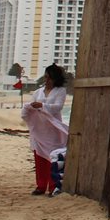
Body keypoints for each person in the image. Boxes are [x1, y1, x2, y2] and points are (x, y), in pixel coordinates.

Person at [22, 64, 68, 195]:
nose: (47, 81)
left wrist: (42, 105)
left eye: (50, 78)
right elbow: (30, 106)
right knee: (40, 158)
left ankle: (53, 186)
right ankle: (40, 185)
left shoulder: (60, 91)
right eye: (46, 77)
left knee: (52, 158)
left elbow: (57, 107)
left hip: (53, 129)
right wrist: (32, 107)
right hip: (39, 129)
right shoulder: (38, 92)